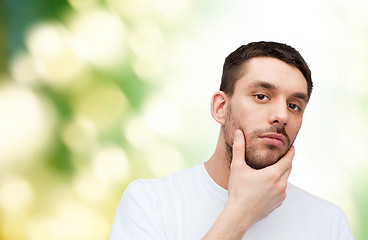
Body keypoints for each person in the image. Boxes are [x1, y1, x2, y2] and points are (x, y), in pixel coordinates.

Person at [109, 41, 353, 239]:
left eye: (294, 105)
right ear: (221, 107)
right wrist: (241, 212)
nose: (282, 115)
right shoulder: (151, 203)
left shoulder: (328, 223)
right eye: (261, 96)